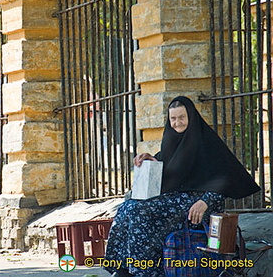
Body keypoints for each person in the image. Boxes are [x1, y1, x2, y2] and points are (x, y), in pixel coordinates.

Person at [104, 96, 261, 277]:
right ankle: (124, 267)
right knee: (128, 206)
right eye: (173, 118)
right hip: (177, 201)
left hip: (200, 203)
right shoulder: (171, 142)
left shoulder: (207, 144)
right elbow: (170, 169)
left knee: (140, 210)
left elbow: (226, 178)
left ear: (191, 117)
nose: (177, 123)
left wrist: (205, 202)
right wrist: (151, 160)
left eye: (181, 117)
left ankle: (145, 272)